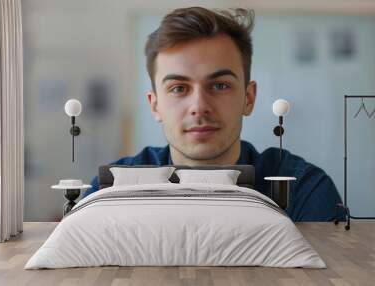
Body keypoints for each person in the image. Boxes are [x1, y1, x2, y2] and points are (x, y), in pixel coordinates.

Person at [83, 7, 342, 221]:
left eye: (220, 85)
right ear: (155, 106)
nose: (199, 105)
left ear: (248, 98)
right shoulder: (112, 189)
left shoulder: (302, 188)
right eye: (179, 88)